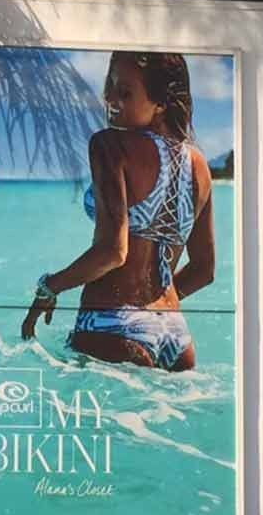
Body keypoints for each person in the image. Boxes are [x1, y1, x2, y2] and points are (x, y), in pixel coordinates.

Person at [21, 51, 217, 371]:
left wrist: (49, 287)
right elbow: (205, 269)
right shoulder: (199, 165)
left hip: (112, 324)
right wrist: (153, 309)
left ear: (161, 103)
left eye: (125, 92)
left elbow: (113, 251)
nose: (110, 98)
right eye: (109, 87)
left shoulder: (110, 145)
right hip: (176, 335)